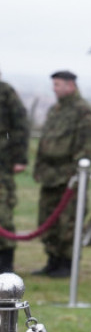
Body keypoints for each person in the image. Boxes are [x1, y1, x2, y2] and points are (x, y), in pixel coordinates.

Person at [31, 71, 91, 278]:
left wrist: (76, 172)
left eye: (58, 84)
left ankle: (67, 263)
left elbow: (88, 145)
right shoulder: (55, 110)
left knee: (68, 222)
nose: (55, 88)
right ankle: (52, 260)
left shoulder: (84, 111)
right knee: (48, 219)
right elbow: (45, 141)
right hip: (49, 175)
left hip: (69, 177)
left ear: (71, 86)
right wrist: (39, 167)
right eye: (54, 84)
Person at [0, 75, 29, 275]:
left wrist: (20, 158)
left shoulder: (5, 92)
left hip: (2, 163)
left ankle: (5, 263)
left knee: (3, 213)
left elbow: (20, 125)